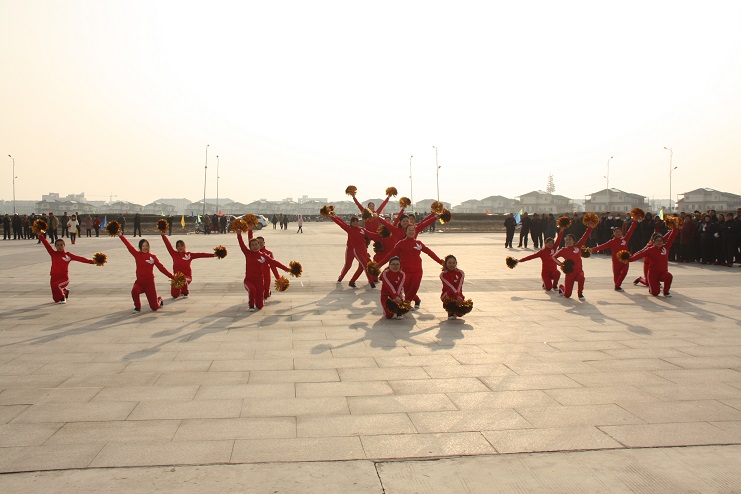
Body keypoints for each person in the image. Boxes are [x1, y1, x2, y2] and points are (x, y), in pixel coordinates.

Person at [377, 224, 444, 310]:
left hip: (417, 270)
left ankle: (405, 305)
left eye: (413, 230)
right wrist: (379, 264)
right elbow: (390, 255)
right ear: (406, 232)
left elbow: (429, 252)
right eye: (409, 230)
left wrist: (441, 262)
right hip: (405, 271)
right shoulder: (401, 243)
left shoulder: (418, 243)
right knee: (407, 289)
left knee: (414, 288)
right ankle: (414, 301)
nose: (411, 231)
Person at [237, 229, 291, 311]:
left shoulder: (264, 256)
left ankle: (259, 299)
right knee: (252, 289)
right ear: (250, 247)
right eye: (252, 245)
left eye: (256, 244)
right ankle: (251, 305)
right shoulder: (248, 253)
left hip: (259, 281)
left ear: (259, 245)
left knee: (260, 306)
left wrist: (287, 269)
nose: (255, 246)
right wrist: (239, 234)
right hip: (249, 280)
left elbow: (274, 263)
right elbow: (241, 244)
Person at [118, 232, 173, 313]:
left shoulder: (153, 257)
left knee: (154, 308)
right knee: (134, 291)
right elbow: (128, 245)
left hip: (149, 284)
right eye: (143, 246)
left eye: (146, 246)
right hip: (139, 283)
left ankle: (159, 300)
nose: (145, 247)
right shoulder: (137, 255)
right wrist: (120, 235)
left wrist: (172, 277)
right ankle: (137, 307)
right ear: (140, 247)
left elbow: (161, 268)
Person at [39, 232, 95, 303]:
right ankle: (65, 291)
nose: (59, 247)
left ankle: (63, 298)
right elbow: (46, 245)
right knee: (56, 299)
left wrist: (92, 261)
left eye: (61, 245)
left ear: (64, 245)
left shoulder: (68, 255)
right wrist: (40, 235)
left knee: (56, 286)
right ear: (55, 246)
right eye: (57, 245)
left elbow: (80, 258)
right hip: (53, 277)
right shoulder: (53, 253)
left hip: (64, 278)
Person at [331, 214, 382, 288]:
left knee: (362, 267)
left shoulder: (362, 229)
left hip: (363, 251)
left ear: (358, 222)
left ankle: (352, 281)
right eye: (353, 221)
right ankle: (341, 278)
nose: (355, 222)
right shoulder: (349, 229)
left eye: (356, 221)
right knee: (349, 265)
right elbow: (341, 223)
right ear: (351, 223)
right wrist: (333, 216)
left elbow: (372, 235)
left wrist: (381, 235)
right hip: (353, 250)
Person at [590, 218, 639, 291]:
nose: (618, 233)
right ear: (613, 233)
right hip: (616, 261)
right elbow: (602, 246)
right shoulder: (611, 242)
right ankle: (617, 286)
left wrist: (635, 221)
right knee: (616, 276)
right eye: (616, 232)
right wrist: (592, 249)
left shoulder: (625, 240)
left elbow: (630, 231)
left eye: (619, 232)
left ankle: (617, 285)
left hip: (625, 260)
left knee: (624, 272)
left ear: (621, 233)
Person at [161, 234, 216, 298]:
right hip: (176, 279)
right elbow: (168, 245)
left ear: (184, 246)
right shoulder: (174, 254)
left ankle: (185, 292)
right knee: (174, 295)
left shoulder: (189, 255)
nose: (180, 247)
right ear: (176, 248)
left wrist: (213, 255)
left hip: (187, 277)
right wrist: (163, 235)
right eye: (178, 246)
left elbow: (201, 255)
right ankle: (181, 290)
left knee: (182, 278)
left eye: (182, 245)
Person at [628, 226, 678, 297]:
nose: (659, 242)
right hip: (653, 275)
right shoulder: (650, 249)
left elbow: (672, 237)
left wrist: (675, 227)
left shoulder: (665, 247)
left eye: (661, 241)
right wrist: (628, 259)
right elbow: (639, 254)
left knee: (669, 276)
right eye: (657, 241)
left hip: (663, 273)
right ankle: (652, 287)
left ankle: (666, 292)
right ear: (653, 242)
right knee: (655, 293)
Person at [516, 227, 566, 291]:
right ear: (545, 243)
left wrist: (561, 231)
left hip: (553, 272)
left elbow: (558, 240)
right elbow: (531, 257)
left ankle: (555, 285)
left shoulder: (554, 249)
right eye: (549, 243)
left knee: (557, 273)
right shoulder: (542, 252)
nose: (550, 244)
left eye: (552, 243)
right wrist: (520, 260)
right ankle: (545, 283)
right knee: (548, 288)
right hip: (545, 273)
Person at [552, 224, 594, 300]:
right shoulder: (563, 250)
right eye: (567, 240)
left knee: (581, 278)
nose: (568, 241)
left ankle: (580, 294)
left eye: (570, 239)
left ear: (574, 241)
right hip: (569, 273)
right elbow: (553, 257)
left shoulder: (578, 247)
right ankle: (562, 288)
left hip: (578, 271)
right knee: (567, 295)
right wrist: (561, 264)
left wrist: (590, 227)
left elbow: (584, 237)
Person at [440, 255, 466, 320]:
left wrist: (458, 296)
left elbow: (459, 285)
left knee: (460, 313)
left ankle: (455, 311)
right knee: (450, 295)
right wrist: (456, 295)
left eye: (453, 263)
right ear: (445, 264)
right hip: (447, 294)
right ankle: (450, 312)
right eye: (449, 263)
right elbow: (450, 286)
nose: (452, 265)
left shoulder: (461, 273)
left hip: (458, 295)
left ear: (456, 263)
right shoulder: (443, 275)